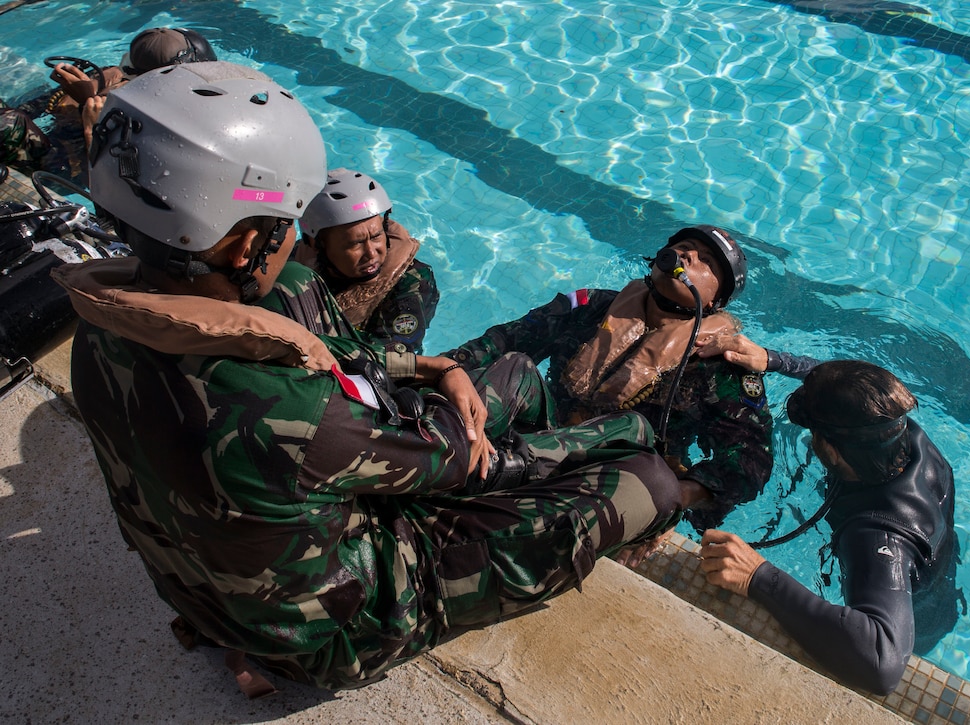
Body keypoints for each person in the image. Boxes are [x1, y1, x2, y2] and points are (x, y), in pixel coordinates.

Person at [52, 60, 686, 691]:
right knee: (649, 482)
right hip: (334, 630)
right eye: (285, 227)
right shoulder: (293, 412)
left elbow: (333, 359)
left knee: (311, 294)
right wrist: (579, 438)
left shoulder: (100, 332)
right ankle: (610, 465)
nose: (293, 243)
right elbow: (452, 455)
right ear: (244, 248)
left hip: (204, 586)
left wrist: (433, 365)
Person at [446, 226, 775, 533]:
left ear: (715, 302)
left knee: (633, 426)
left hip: (611, 480)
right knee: (516, 366)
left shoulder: (719, 363)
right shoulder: (592, 306)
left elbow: (751, 461)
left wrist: (676, 496)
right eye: (684, 247)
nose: (689, 256)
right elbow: (503, 340)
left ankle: (495, 470)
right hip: (539, 434)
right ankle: (447, 441)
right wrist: (445, 369)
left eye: (707, 262)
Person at [697, 349, 959, 695]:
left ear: (832, 452)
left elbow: (883, 664)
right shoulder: (900, 430)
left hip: (914, 615)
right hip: (937, 567)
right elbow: (852, 385)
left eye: (814, 432)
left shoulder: (877, 534)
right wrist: (772, 360)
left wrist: (758, 577)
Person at [17, 27, 216, 176]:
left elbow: (112, 189)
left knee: (11, 122)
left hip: (61, 165)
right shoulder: (109, 77)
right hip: (50, 151)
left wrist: (92, 123)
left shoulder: (157, 118)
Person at [295, 168, 439, 354]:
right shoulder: (296, 262)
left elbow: (396, 355)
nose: (371, 254)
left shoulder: (410, 281)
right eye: (355, 244)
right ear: (317, 244)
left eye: (376, 236)